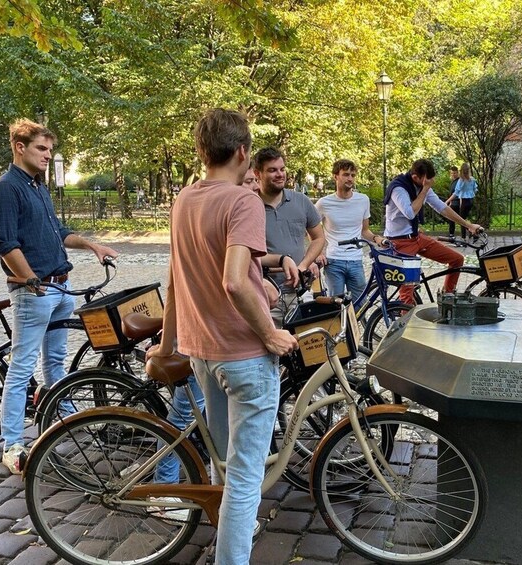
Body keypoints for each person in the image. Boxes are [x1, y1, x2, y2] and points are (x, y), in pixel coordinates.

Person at [147, 108, 298, 563]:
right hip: (244, 355)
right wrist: (270, 333)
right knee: (246, 477)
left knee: (225, 462)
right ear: (242, 152)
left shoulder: (184, 200)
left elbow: (176, 278)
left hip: (201, 353)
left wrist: (167, 345)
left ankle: (230, 531)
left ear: (201, 151)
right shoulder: (242, 201)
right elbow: (234, 280)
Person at [0, 119, 118, 474]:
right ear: (19, 146)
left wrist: (92, 245)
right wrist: (31, 280)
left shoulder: (37, 187)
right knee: (21, 368)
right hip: (35, 291)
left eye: (49, 150)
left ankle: (61, 418)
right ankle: (13, 443)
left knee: (56, 363)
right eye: (41, 149)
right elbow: (5, 244)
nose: (47, 155)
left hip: (59, 286)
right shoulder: (5, 189)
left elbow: (58, 231)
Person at [384, 158, 483, 305]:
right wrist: (424, 190)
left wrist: (468, 225)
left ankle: (447, 301)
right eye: (427, 180)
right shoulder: (398, 188)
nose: (431, 182)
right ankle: (405, 324)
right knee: (407, 294)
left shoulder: (424, 185)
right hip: (400, 242)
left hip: (416, 237)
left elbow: (441, 208)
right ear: (415, 177)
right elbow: (410, 213)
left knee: (457, 259)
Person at [255, 147, 325, 300]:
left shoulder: (301, 201)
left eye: (282, 169)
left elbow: (319, 238)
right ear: (257, 173)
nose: (280, 174)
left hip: (299, 292)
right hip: (263, 293)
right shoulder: (248, 206)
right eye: (272, 170)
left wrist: (304, 265)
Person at [315, 159, 386, 298]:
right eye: (346, 174)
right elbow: (312, 230)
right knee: (336, 306)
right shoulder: (323, 203)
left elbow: (365, 230)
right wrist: (319, 253)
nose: (350, 178)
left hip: (356, 260)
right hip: (333, 261)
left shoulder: (363, 200)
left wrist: (377, 239)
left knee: (360, 305)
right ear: (335, 176)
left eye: (353, 175)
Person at [446, 162, 477, 239]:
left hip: (464, 202)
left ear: (461, 171)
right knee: (464, 219)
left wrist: (447, 201)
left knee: (462, 222)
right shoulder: (472, 179)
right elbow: (475, 190)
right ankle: (473, 232)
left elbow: (455, 193)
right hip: (470, 201)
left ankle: (465, 239)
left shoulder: (461, 180)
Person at [444, 166, 460, 237]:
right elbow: (451, 193)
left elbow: (456, 193)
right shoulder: (453, 182)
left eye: (455, 173)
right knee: (456, 218)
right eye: (452, 173)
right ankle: (451, 233)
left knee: (452, 217)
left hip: (457, 202)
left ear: (458, 173)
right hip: (453, 202)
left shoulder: (459, 181)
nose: (453, 174)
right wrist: (450, 202)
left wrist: (448, 201)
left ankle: (451, 234)